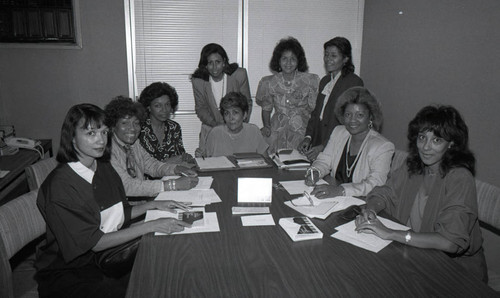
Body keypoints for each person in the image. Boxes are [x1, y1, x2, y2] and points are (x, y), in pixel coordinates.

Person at [35, 104, 192, 298]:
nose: (101, 140)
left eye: (104, 132)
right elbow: (95, 243)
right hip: (74, 272)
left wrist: (152, 205)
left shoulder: (102, 167)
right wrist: (149, 225)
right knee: (152, 286)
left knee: (168, 268)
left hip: (107, 257)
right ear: (72, 138)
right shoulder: (61, 187)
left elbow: (117, 213)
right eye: (91, 133)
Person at [355, 105, 487, 283]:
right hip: (413, 255)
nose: (425, 147)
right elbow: (384, 193)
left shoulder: (460, 177)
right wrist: (370, 210)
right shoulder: (414, 165)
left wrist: (391, 233)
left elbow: (449, 242)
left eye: (437, 140)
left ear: (452, 143)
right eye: (422, 137)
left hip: (454, 271)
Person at [305, 87, 394, 198]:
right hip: (333, 199)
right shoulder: (339, 132)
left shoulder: (382, 146)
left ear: (371, 117)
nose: (352, 120)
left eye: (360, 115)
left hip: (362, 203)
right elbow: (324, 161)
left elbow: (376, 183)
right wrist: (315, 172)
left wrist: (340, 191)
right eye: (348, 114)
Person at [105, 96, 198, 198]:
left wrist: (177, 169)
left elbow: (152, 165)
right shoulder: (107, 151)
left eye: (136, 123)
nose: (132, 128)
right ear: (113, 126)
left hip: (140, 202)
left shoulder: (134, 144)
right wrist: (173, 184)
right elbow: (127, 186)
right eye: (124, 123)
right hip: (122, 209)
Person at [298, 37, 364, 161]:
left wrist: (324, 146)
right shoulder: (324, 81)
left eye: (333, 55)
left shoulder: (354, 82)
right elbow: (316, 113)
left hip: (338, 145)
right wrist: (308, 137)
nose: (328, 59)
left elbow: (348, 121)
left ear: (345, 59)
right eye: (326, 55)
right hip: (318, 142)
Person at [255, 36, 320, 154]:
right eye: (284, 59)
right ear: (278, 60)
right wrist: (267, 126)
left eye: (292, 59)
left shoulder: (310, 81)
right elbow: (266, 108)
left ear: (298, 60)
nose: (288, 63)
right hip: (277, 129)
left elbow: (315, 110)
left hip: (302, 130)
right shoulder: (269, 82)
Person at [191, 43, 252, 152]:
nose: (214, 67)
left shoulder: (239, 75)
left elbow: (247, 103)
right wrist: (217, 126)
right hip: (211, 129)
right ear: (205, 65)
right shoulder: (198, 81)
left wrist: (238, 126)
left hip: (237, 129)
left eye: (218, 62)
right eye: (210, 63)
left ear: (224, 62)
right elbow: (201, 108)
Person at [138, 81, 194, 163]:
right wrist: (169, 161)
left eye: (167, 104)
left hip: (172, 174)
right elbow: (142, 165)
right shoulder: (139, 129)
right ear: (148, 107)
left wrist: (185, 157)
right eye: (158, 106)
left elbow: (180, 156)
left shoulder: (174, 127)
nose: (164, 110)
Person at [202, 92, 268, 157]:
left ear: (244, 115)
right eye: (227, 113)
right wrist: (201, 156)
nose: (231, 118)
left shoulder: (254, 131)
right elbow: (206, 162)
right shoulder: (215, 133)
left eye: (235, 113)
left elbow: (267, 162)